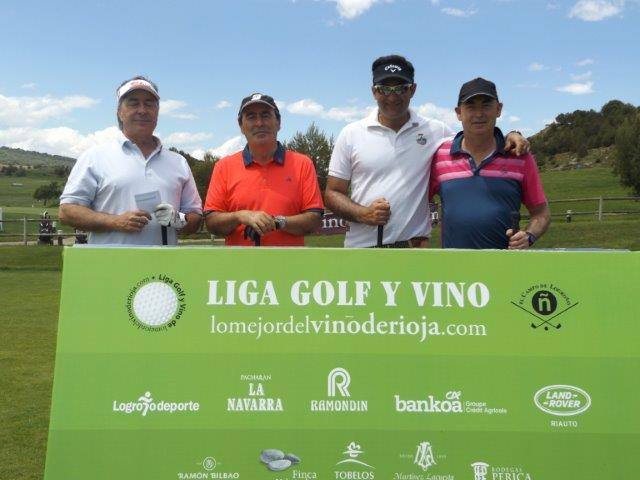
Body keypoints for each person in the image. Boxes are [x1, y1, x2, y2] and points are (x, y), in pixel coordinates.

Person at [325, 55, 529, 248]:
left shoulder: (435, 131)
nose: (393, 96)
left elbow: (475, 137)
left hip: (414, 252)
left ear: (413, 90)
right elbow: (333, 193)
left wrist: (510, 134)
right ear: (373, 91)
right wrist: (364, 214)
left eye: (401, 88)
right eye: (384, 89)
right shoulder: (351, 134)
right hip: (362, 249)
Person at [59, 76, 202, 245]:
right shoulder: (95, 157)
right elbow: (67, 211)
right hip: (111, 266)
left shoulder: (178, 162)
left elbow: (196, 218)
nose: (142, 110)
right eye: (133, 103)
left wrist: (179, 220)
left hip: (164, 268)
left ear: (157, 112)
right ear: (120, 112)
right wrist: (115, 221)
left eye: (149, 103)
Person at [429, 77, 550, 249]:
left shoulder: (519, 156)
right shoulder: (440, 155)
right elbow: (417, 200)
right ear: (458, 112)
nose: (479, 114)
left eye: (486, 105)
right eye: (470, 106)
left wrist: (529, 236)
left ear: (499, 109)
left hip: (503, 268)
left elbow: (541, 213)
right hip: (454, 270)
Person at [204, 93, 324, 246]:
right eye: (251, 117)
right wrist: (240, 216)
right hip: (238, 267)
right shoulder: (223, 167)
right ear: (241, 126)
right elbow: (212, 222)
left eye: (266, 115)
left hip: (290, 266)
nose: (259, 123)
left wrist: (277, 222)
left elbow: (314, 219)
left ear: (278, 122)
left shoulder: (303, 164)